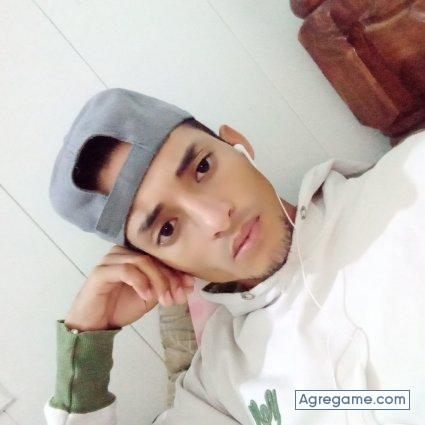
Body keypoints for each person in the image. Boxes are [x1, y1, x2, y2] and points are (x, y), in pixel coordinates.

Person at [44, 88, 425, 424]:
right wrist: (86, 343)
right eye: (167, 229)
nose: (216, 219)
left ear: (236, 143)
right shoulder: (217, 390)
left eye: (202, 167)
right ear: (157, 262)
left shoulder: (411, 179)